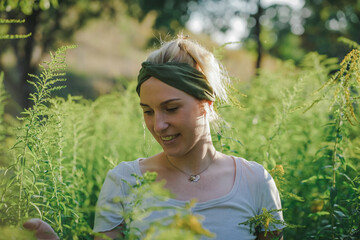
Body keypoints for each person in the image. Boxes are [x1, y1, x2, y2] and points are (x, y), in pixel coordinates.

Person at [24, 35, 284, 240]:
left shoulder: (256, 183)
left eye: (171, 108)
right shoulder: (124, 182)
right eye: (147, 111)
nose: (158, 125)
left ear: (206, 105)